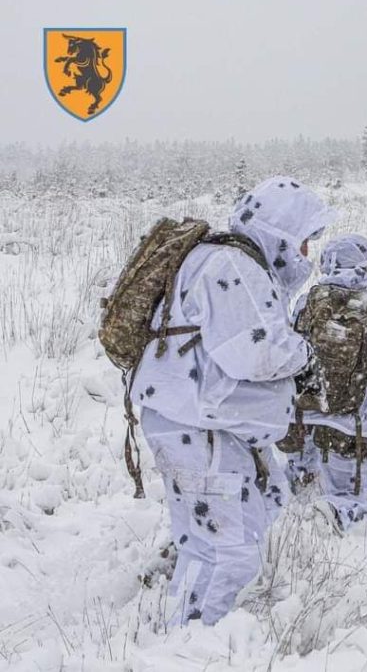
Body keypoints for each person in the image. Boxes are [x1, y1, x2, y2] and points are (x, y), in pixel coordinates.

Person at [132, 176, 337, 626]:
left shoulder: (217, 257)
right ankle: (191, 644)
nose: (306, 256)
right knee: (229, 554)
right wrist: (305, 356)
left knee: (226, 530)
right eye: (302, 242)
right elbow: (258, 352)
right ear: (278, 232)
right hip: (199, 429)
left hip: (197, 424)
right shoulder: (234, 266)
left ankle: (179, 624)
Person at [283, 234, 367, 532]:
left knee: (298, 478)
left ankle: (291, 508)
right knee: (352, 495)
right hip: (354, 421)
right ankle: (330, 519)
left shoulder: (306, 302)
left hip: (304, 414)